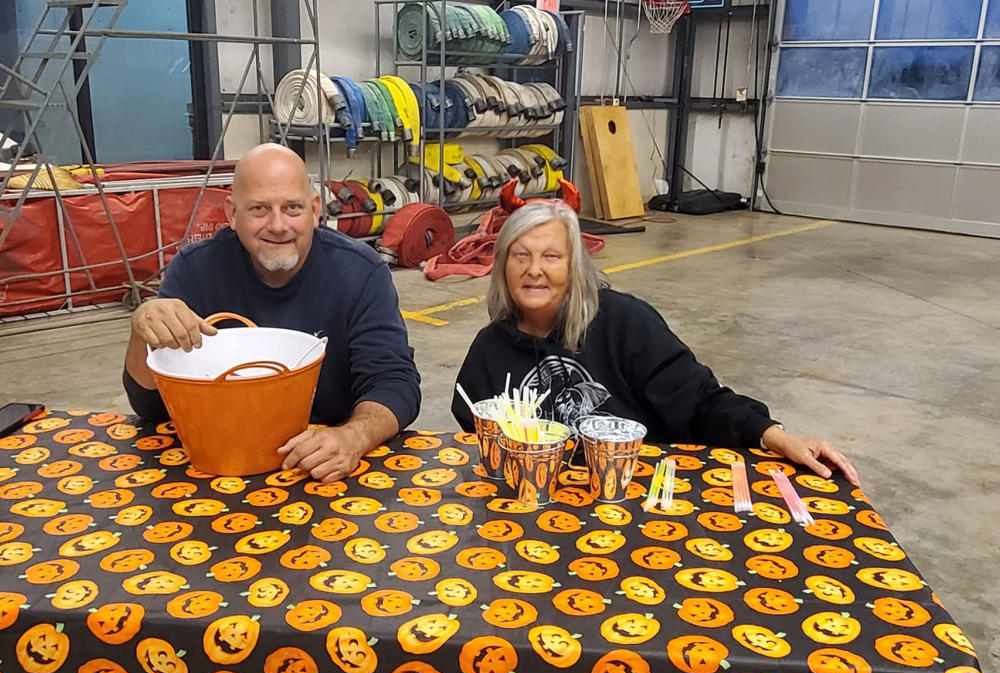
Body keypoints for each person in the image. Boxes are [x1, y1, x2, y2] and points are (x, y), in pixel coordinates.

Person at [451, 199, 859, 485]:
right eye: (520, 256)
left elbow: (700, 401)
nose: (534, 270)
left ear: (575, 267)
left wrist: (775, 435)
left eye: (551, 257)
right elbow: (478, 437)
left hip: (633, 500)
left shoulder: (624, 322)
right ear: (502, 266)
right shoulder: (489, 349)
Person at [124, 143, 420, 482]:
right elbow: (149, 407)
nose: (278, 225)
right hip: (221, 460)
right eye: (259, 209)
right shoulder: (195, 270)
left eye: (292, 208)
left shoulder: (360, 272)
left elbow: (394, 382)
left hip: (322, 469)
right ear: (232, 214)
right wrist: (143, 331)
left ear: (315, 210)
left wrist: (353, 437)